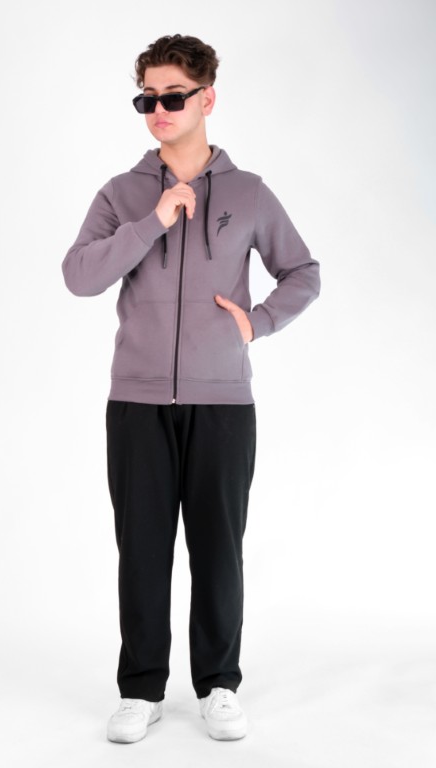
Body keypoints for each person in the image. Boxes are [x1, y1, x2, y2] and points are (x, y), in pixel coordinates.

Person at [62, 34, 320, 743]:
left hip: (223, 402)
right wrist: (152, 222)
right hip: (136, 402)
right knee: (142, 550)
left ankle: (219, 685)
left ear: (207, 98)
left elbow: (303, 272)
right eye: (147, 98)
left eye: (173, 96)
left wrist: (258, 321)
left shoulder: (248, 193)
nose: (159, 110)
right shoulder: (121, 194)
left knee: (217, 550)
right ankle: (141, 689)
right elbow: (79, 276)